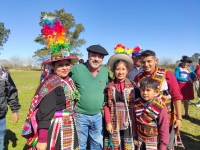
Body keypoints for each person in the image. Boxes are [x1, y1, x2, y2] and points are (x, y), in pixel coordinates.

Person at [22, 17, 80, 150]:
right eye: (60, 65)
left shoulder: (69, 81)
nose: (65, 68)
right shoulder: (51, 84)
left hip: (69, 124)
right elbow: (45, 111)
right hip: (55, 127)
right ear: (53, 67)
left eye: (67, 64)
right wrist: (42, 140)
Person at [134, 50, 184, 150]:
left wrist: (179, 118)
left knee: (165, 144)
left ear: (156, 60)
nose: (146, 64)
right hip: (146, 122)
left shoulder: (167, 75)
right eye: (143, 62)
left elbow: (176, 96)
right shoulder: (138, 77)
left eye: (149, 61)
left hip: (166, 119)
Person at [69, 44, 109, 150]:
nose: (96, 59)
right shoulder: (77, 69)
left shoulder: (105, 72)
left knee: (97, 143)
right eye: (94, 55)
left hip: (98, 116)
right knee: (80, 144)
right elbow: (65, 85)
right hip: (80, 115)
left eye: (100, 57)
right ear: (88, 55)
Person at [103, 44, 140, 150]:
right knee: (114, 145)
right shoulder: (109, 86)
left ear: (127, 70)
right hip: (113, 120)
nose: (120, 72)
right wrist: (108, 122)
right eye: (118, 69)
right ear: (114, 71)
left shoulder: (133, 86)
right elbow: (106, 106)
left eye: (123, 69)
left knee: (127, 145)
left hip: (129, 121)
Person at [133, 77, 169, 150]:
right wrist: (135, 136)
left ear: (155, 91)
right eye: (142, 90)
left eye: (148, 90)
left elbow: (164, 128)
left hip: (154, 142)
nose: (145, 93)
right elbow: (134, 122)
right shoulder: (136, 104)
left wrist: (163, 146)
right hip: (140, 141)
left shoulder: (159, 106)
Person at [0, 67, 20, 150]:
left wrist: (15, 111)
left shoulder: (3, 74)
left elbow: (11, 93)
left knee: (1, 145)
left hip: (0, 117)